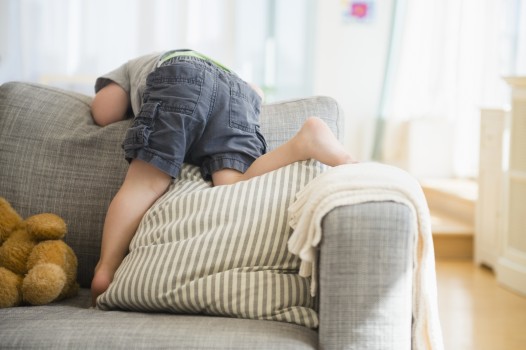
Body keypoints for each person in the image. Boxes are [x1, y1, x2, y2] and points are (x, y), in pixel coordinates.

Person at [90, 49, 355, 305]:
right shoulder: (225, 70)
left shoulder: (129, 68)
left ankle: (105, 269)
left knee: (145, 185)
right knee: (233, 185)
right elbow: (257, 92)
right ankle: (304, 142)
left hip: (181, 76)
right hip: (239, 92)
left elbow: (105, 112)